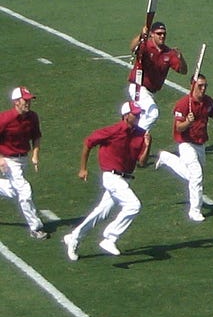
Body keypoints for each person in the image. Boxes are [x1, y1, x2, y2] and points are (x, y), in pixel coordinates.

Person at [62, 101, 150, 260]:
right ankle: (110, 237)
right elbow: (88, 142)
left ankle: (74, 237)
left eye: (138, 114)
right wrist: (83, 168)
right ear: (125, 116)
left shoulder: (142, 135)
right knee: (134, 205)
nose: (138, 116)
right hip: (111, 177)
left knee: (101, 212)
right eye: (135, 114)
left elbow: (142, 163)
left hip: (125, 179)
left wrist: (148, 145)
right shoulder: (113, 131)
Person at [155, 74, 213, 222]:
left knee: (195, 176)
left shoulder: (208, 101)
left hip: (200, 143)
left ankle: (167, 158)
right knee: (196, 175)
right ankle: (195, 210)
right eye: (200, 86)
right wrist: (188, 122)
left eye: (205, 85)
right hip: (186, 144)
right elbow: (179, 128)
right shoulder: (183, 104)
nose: (203, 89)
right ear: (192, 86)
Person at [0, 86, 47, 239]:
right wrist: (0, 159)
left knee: (15, 191)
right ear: (16, 102)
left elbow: (36, 137)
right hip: (8, 159)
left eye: (29, 100)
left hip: (23, 158)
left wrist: (35, 155)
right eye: (25, 100)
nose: (28, 102)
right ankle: (35, 227)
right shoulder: (5, 118)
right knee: (25, 191)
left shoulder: (32, 117)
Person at [127, 21, 187, 140]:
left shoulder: (168, 53)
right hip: (138, 88)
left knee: (140, 117)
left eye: (164, 34)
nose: (162, 36)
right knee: (153, 113)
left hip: (150, 92)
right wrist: (140, 35)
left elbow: (183, 71)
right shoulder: (146, 46)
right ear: (152, 35)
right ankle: (135, 139)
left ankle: (130, 137)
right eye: (159, 33)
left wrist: (181, 58)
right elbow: (132, 48)